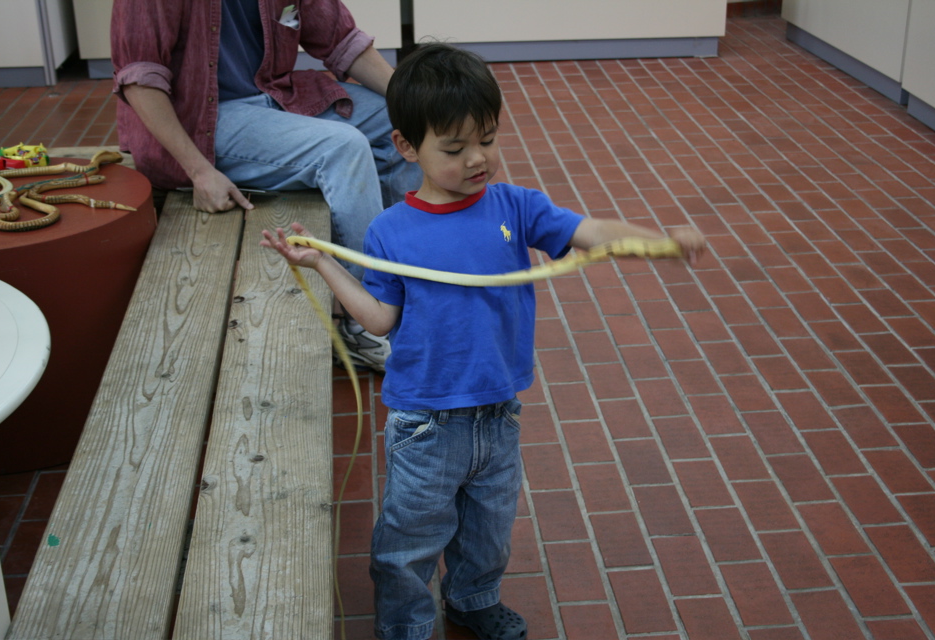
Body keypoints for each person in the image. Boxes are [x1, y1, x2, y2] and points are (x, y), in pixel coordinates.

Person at [261, 43, 706, 640]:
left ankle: (472, 598)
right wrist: (321, 265)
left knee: (490, 528)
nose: (478, 159)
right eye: (454, 148)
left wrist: (657, 241)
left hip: (497, 413)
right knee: (409, 538)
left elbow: (589, 230)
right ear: (405, 146)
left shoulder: (515, 207)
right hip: (425, 422)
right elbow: (379, 319)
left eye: (488, 139)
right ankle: (407, 624)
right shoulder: (391, 231)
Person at [110, 0, 422, 372]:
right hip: (200, 123)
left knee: (401, 121)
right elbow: (139, 78)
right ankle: (366, 322)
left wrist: (418, 104)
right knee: (343, 149)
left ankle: (410, 290)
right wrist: (198, 171)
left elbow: (342, 40)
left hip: (276, 98)